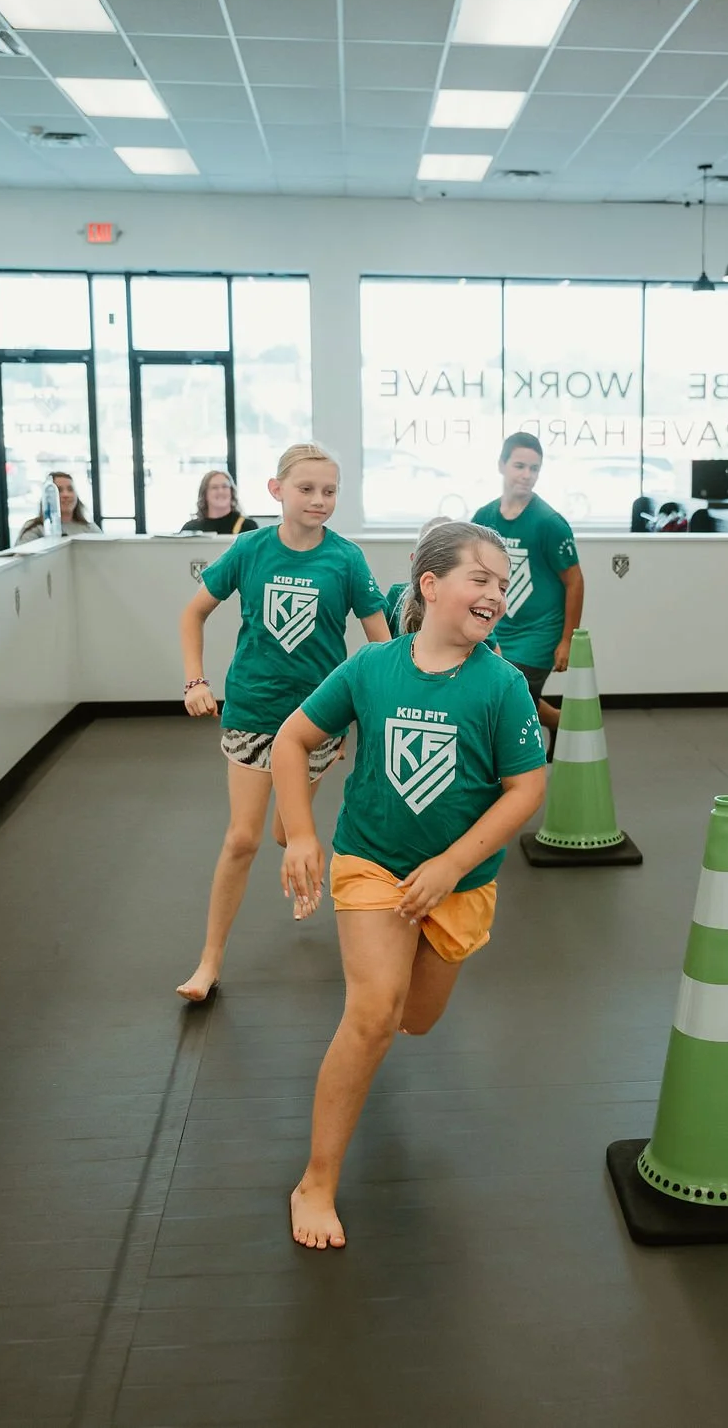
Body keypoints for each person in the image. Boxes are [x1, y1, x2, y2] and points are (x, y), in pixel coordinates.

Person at [273, 521, 547, 1250]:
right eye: (479, 577)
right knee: (371, 1014)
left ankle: (379, 1018)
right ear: (430, 586)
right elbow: (291, 740)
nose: (495, 591)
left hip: (459, 883)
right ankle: (316, 1181)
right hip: (371, 863)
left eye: (501, 581)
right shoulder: (372, 668)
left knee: (414, 1019)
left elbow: (526, 790)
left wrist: (453, 865)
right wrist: (302, 832)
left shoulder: (503, 684)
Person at [176, 443, 389, 1003]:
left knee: (286, 832)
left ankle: (296, 846)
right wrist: (195, 681)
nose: (320, 500)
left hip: (317, 718)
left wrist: (370, 717)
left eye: (330, 491)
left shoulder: (346, 560)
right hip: (252, 709)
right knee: (244, 838)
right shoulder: (250, 549)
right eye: (307, 489)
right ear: (277, 491)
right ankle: (209, 962)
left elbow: (380, 644)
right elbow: (192, 613)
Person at [471, 432, 583, 760]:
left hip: (541, 632)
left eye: (534, 468)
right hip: (500, 626)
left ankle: (510, 769)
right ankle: (561, 719)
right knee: (513, 692)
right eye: (519, 465)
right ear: (502, 466)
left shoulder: (550, 523)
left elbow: (575, 582)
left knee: (512, 696)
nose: (526, 474)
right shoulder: (484, 517)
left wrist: (567, 641)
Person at [384, 515, 498, 652]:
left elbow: (496, 656)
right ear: (415, 560)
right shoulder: (396, 595)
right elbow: (383, 647)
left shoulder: (472, 607)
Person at [16, 471, 102, 543]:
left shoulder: (90, 528)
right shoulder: (35, 529)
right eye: (58, 490)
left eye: (70, 489)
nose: (66, 495)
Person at [179, 470, 259, 535]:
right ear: (204, 494)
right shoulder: (190, 529)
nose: (221, 491)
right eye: (214, 487)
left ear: (231, 491)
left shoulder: (249, 528)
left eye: (225, 486)